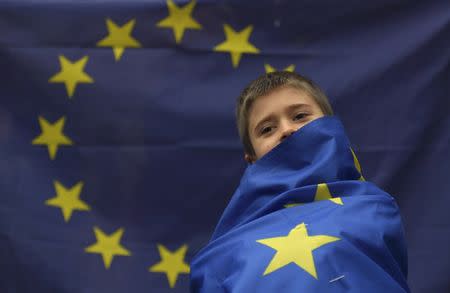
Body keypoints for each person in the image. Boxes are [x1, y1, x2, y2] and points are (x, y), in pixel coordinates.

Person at [190, 71, 410, 292]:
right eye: (267, 129)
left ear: (330, 125)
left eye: (300, 116)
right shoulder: (222, 256)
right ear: (252, 159)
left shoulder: (374, 207)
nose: (287, 130)